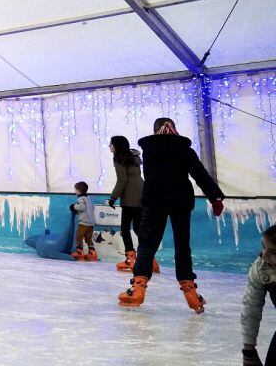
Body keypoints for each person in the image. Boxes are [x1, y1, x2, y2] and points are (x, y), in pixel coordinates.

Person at [119, 117, 225, 312]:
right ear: (174, 129)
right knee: (182, 244)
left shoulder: (149, 150)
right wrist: (215, 197)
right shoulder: (184, 150)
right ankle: (191, 292)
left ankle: (138, 288)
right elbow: (199, 173)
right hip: (180, 200)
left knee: (147, 244)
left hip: (154, 199)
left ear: (155, 130)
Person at [108, 135, 149, 272]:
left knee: (125, 228)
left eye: (111, 144)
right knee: (138, 227)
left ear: (117, 146)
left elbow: (122, 181)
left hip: (130, 197)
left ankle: (130, 259)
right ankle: (149, 257)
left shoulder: (119, 159)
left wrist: (112, 198)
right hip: (141, 194)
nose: (109, 146)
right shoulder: (133, 157)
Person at [241, 225, 276, 366]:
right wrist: (248, 351)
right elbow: (251, 307)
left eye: (273, 252)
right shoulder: (261, 267)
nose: (264, 255)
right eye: (263, 247)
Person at [70, 181, 98, 261]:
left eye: (75, 189)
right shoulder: (88, 198)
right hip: (91, 222)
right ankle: (92, 253)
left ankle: (79, 252)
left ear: (79, 191)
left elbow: (82, 207)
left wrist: (73, 206)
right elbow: (92, 208)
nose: (75, 191)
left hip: (84, 222)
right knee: (88, 238)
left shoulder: (80, 198)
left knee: (79, 236)